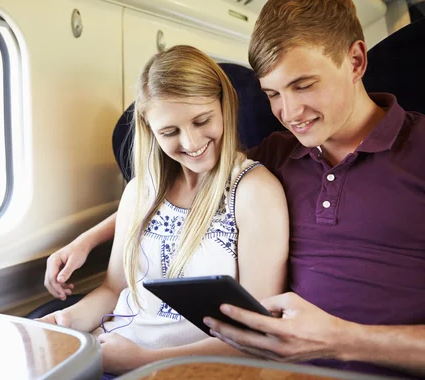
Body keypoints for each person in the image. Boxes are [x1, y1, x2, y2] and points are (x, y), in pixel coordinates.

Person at [44, 0, 425, 378]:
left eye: (304, 85)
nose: (290, 112)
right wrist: (89, 238)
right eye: (273, 93)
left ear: (357, 61)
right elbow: (180, 192)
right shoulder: (280, 151)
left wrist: (343, 339)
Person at [39, 45, 289, 376]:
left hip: (190, 370)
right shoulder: (139, 191)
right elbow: (114, 290)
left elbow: (259, 334)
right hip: (112, 351)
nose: (191, 141)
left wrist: (142, 361)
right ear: (150, 130)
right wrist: (63, 321)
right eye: (170, 132)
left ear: (224, 106)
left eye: (202, 121)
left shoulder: (254, 192)